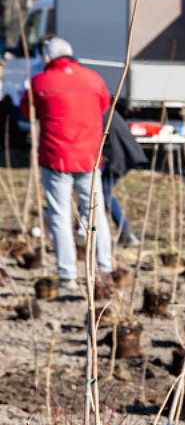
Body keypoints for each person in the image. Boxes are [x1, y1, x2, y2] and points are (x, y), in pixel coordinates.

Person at [19, 36, 114, 289]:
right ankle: (104, 269)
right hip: (90, 159)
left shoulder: (40, 82)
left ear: (47, 58)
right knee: (96, 215)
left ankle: (67, 275)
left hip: (55, 159)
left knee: (59, 216)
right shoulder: (94, 79)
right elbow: (103, 106)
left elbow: (28, 112)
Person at [101, 108, 148, 247]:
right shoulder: (104, 108)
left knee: (103, 192)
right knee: (97, 192)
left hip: (117, 158)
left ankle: (126, 233)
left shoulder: (99, 111)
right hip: (120, 155)